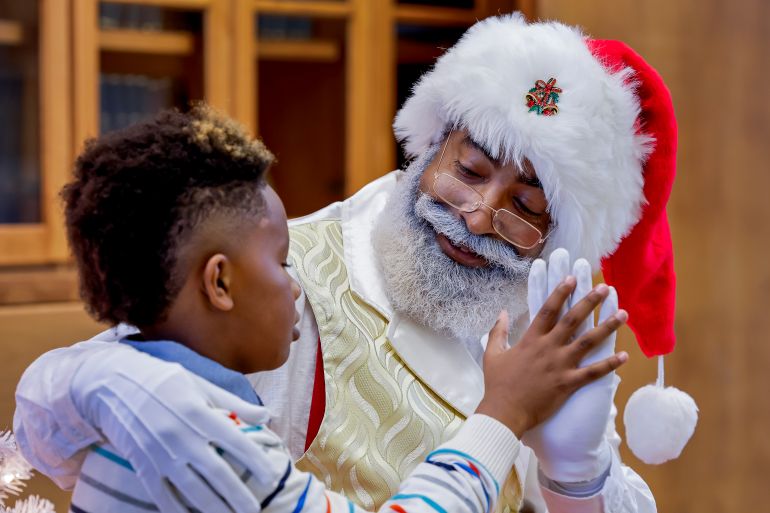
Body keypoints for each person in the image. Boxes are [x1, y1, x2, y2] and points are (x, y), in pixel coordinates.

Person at [14, 13, 682, 513]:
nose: (478, 216)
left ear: (557, 232)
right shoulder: (281, 282)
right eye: (469, 169)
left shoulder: (544, 313)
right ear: (428, 146)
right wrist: (92, 368)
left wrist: (578, 467)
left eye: (525, 207)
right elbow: (120, 406)